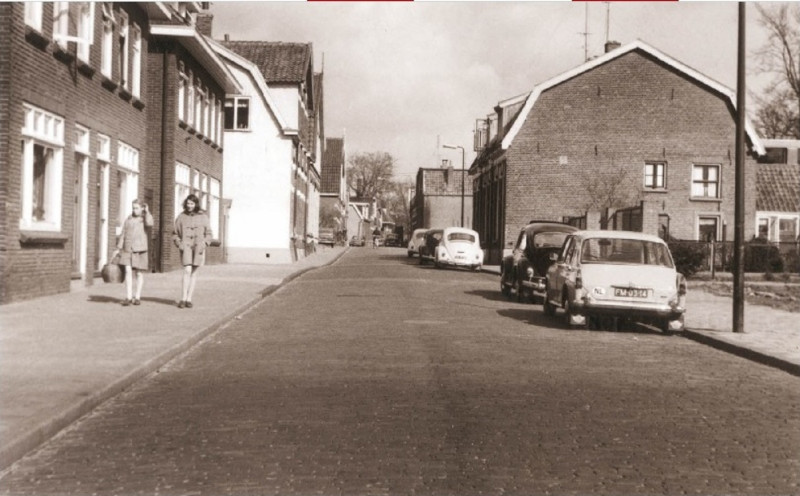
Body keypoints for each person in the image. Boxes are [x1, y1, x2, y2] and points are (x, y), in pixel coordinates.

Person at [173, 193, 212, 309]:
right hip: (186, 247)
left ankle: (189, 299)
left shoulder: (203, 217)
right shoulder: (181, 217)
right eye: (188, 203)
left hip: (198, 247)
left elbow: (209, 233)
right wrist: (179, 244)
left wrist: (204, 243)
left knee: (194, 272)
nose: (189, 206)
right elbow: (175, 234)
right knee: (187, 270)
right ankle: (183, 298)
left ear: (196, 204)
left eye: (192, 203)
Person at [113, 199, 153, 306]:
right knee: (128, 271)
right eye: (133, 208)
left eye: (136, 208)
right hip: (127, 248)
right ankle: (129, 296)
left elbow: (150, 223)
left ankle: (138, 296)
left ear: (142, 208)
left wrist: (147, 211)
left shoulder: (145, 219)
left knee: (139, 273)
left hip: (140, 250)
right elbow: (123, 233)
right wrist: (118, 248)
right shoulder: (128, 219)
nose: (134, 210)